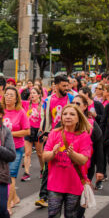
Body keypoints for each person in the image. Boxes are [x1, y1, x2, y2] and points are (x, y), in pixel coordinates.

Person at [43, 104, 92, 218]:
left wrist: (72, 154)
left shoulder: (83, 136)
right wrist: (53, 152)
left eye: (72, 114)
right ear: (61, 117)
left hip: (74, 185)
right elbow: (45, 156)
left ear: (78, 119)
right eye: (65, 114)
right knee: (52, 215)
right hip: (55, 184)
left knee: (70, 217)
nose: (68, 117)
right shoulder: (54, 133)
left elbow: (83, 159)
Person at [36, 75, 74, 208]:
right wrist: (46, 133)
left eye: (67, 85)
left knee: (68, 165)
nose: (66, 88)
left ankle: (68, 193)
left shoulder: (71, 98)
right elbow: (45, 119)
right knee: (48, 166)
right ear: (56, 85)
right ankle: (43, 196)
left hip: (69, 137)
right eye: (64, 86)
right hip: (53, 137)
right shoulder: (48, 100)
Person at [71, 95, 104, 218]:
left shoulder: (91, 124)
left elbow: (99, 146)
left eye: (78, 103)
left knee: (82, 192)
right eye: (72, 102)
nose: (74, 105)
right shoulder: (65, 119)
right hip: (68, 165)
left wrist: (100, 170)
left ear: (85, 106)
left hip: (86, 166)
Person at [2, 86, 30, 214]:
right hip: (1, 148)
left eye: (11, 95)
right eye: (6, 94)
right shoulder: (0, 110)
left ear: (16, 99)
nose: (8, 97)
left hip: (16, 148)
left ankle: (8, 206)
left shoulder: (21, 112)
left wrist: (10, 133)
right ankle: (15, 197)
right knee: (2, 175)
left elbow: (27, 131)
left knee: (11, 176)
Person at [22, 87, 44, 182]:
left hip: (39, 130)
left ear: (39, 95)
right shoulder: (26, 104)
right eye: (31, 93)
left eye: (34, 93)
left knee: (39, 153)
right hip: (29, 129)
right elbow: (18, 97)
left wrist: (44, 129)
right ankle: (26, 173)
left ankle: (43, 170)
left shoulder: (43, 105)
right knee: (27, 153)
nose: (32, 95)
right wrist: (23, 88)